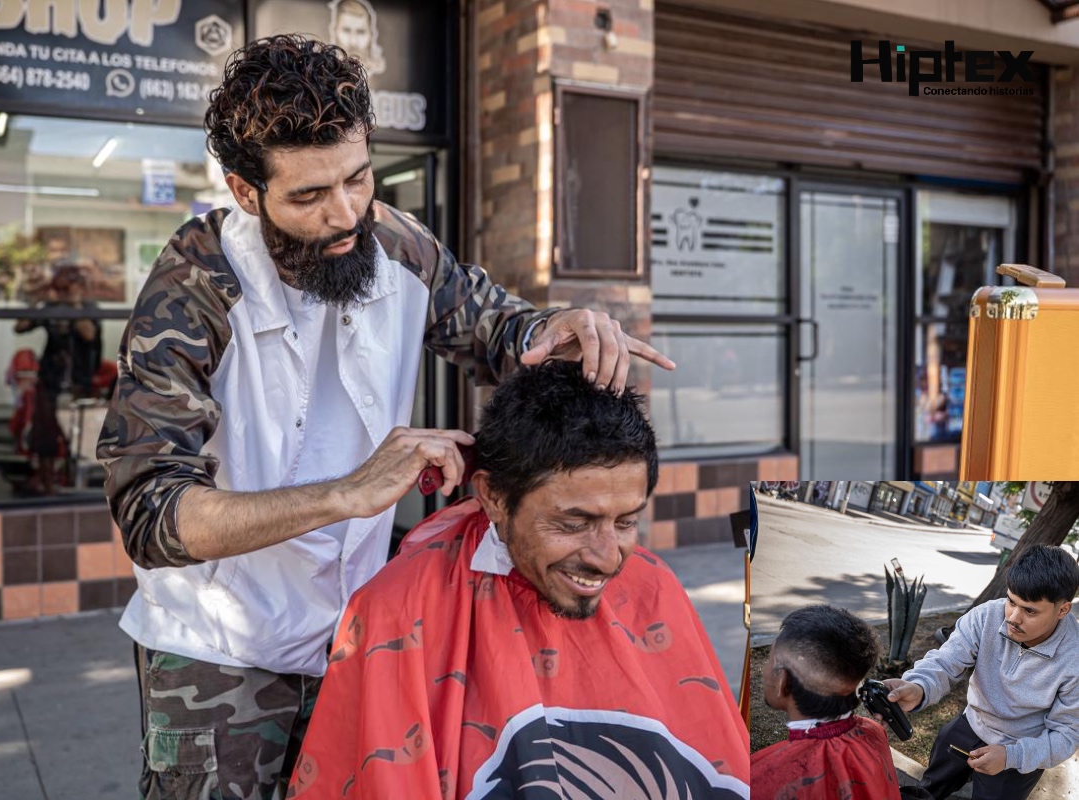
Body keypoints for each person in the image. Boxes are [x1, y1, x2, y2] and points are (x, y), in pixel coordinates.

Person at [99, 34, 675, 800]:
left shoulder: (398, 244)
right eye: (309, 196)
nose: (345, 214)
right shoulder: (195, 285)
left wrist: (555, 328)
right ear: (245, 191)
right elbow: (151, 512)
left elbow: (498, 329)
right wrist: (348, 493)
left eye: (358, 178)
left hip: (359, 630)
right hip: (218, 645)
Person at [282, 361, 746, 797]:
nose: (608, 560)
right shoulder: (397, 610)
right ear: (495, 496)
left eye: (626, 522)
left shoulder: (652, 585)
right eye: (573, 523)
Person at [884, 545, 1079, 800]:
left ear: (1063, 610)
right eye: (1011, 601)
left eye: (1029, 610)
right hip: (972, 722)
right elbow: (946, 661)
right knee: (928, 789)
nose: (1013, 618)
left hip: (1021, 749)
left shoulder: (1074, 658)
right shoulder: (987, 616)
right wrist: (919, 686)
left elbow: (1067, 734)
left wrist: (1011, 756)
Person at [753, 604, 901, 800]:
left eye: (769, 660)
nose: (764, 670)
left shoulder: (759, 783)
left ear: (783, 681)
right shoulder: (873, 731)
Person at [15, 264, 101, 494]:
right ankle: (47, 485)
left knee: (78, 434)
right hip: (50, 378)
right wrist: (36, 302)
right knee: (45, 435)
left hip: (79, 380)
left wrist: (75, 306)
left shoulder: (90, 309)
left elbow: (89, 334)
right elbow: (20, 327)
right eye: (61, 288)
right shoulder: (51, 308)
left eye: (70, 287)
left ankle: (73, 482)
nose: (65, 292)